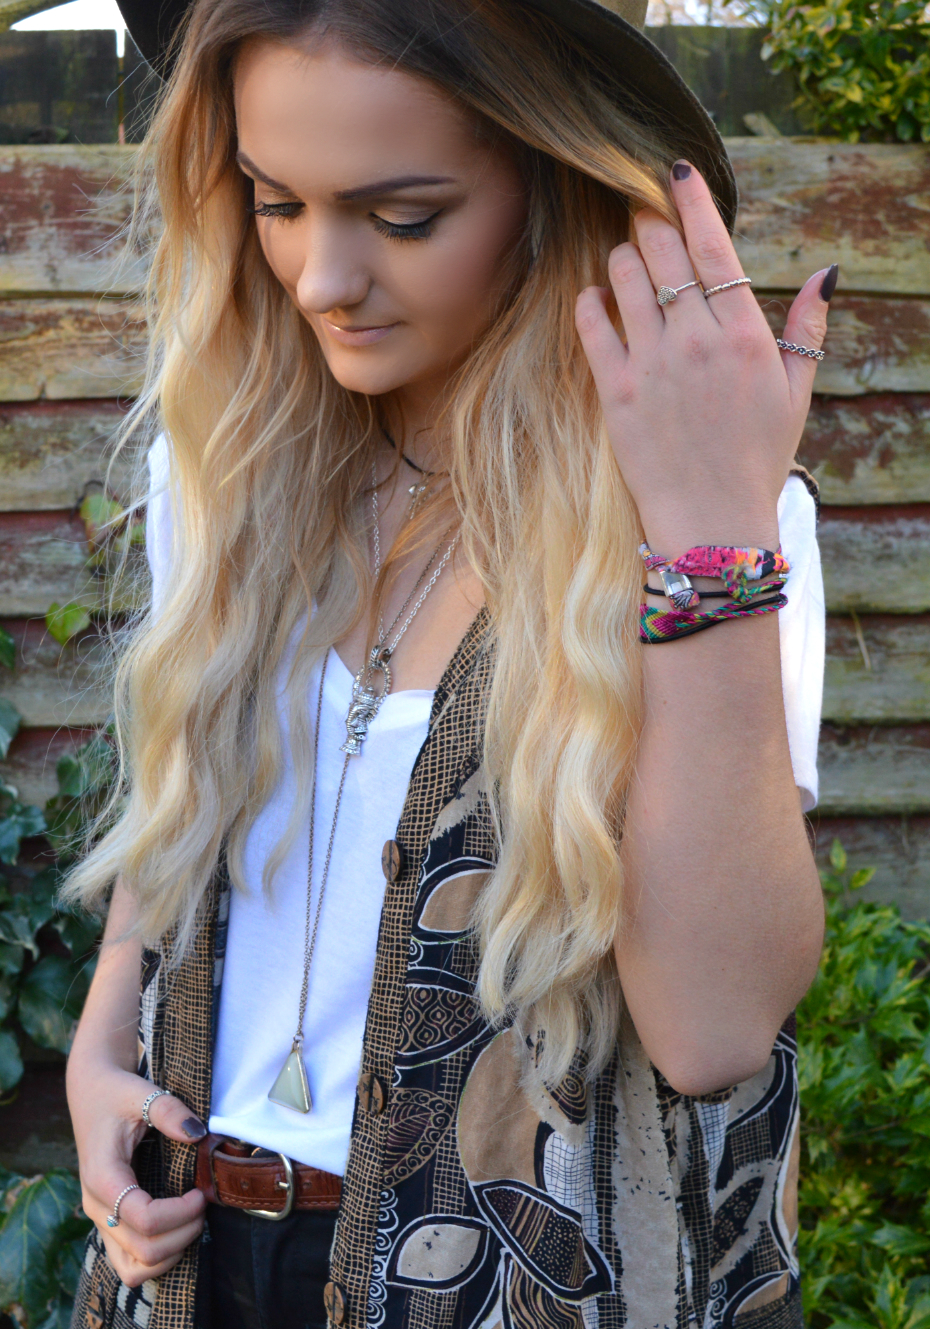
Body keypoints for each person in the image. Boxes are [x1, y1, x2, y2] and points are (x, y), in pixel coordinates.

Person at [64, 0, 831, 1324]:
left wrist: (708, 533)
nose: (320, 277)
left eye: (403, 216)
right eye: (274, 201)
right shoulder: (225, 472)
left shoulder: (715, 539)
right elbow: (178, 813)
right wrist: (97, 1047)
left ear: (547, 183)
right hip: (184, 1264)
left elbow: (713, 1033)